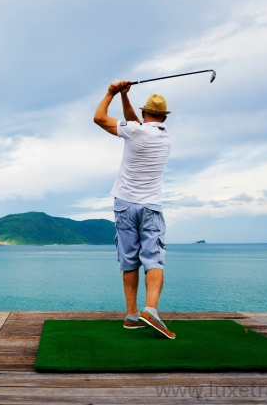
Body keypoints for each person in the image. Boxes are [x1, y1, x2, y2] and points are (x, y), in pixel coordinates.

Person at [93, 81, 175, 339]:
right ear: (163, 117)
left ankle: (132, 314)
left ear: (144, 114)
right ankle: (150, 310)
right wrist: (125, 97)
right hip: (150, 206)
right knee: (154, 258)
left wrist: (111, 92)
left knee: (129, 260)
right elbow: (135, 124)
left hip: (125, 204)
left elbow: (98, 118)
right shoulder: (164, 138)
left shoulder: (135, 131)